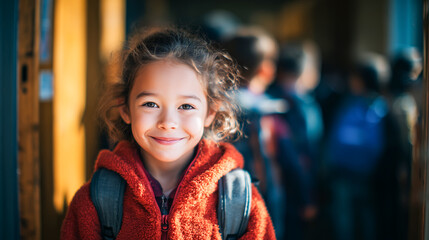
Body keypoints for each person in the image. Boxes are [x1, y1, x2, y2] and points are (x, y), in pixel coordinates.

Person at [60, 27, 275, 239]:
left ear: (210, 112)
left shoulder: (240, 202)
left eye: (186, 106)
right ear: (125, 109)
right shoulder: (94, 201)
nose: (168, 123)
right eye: (151, 104)